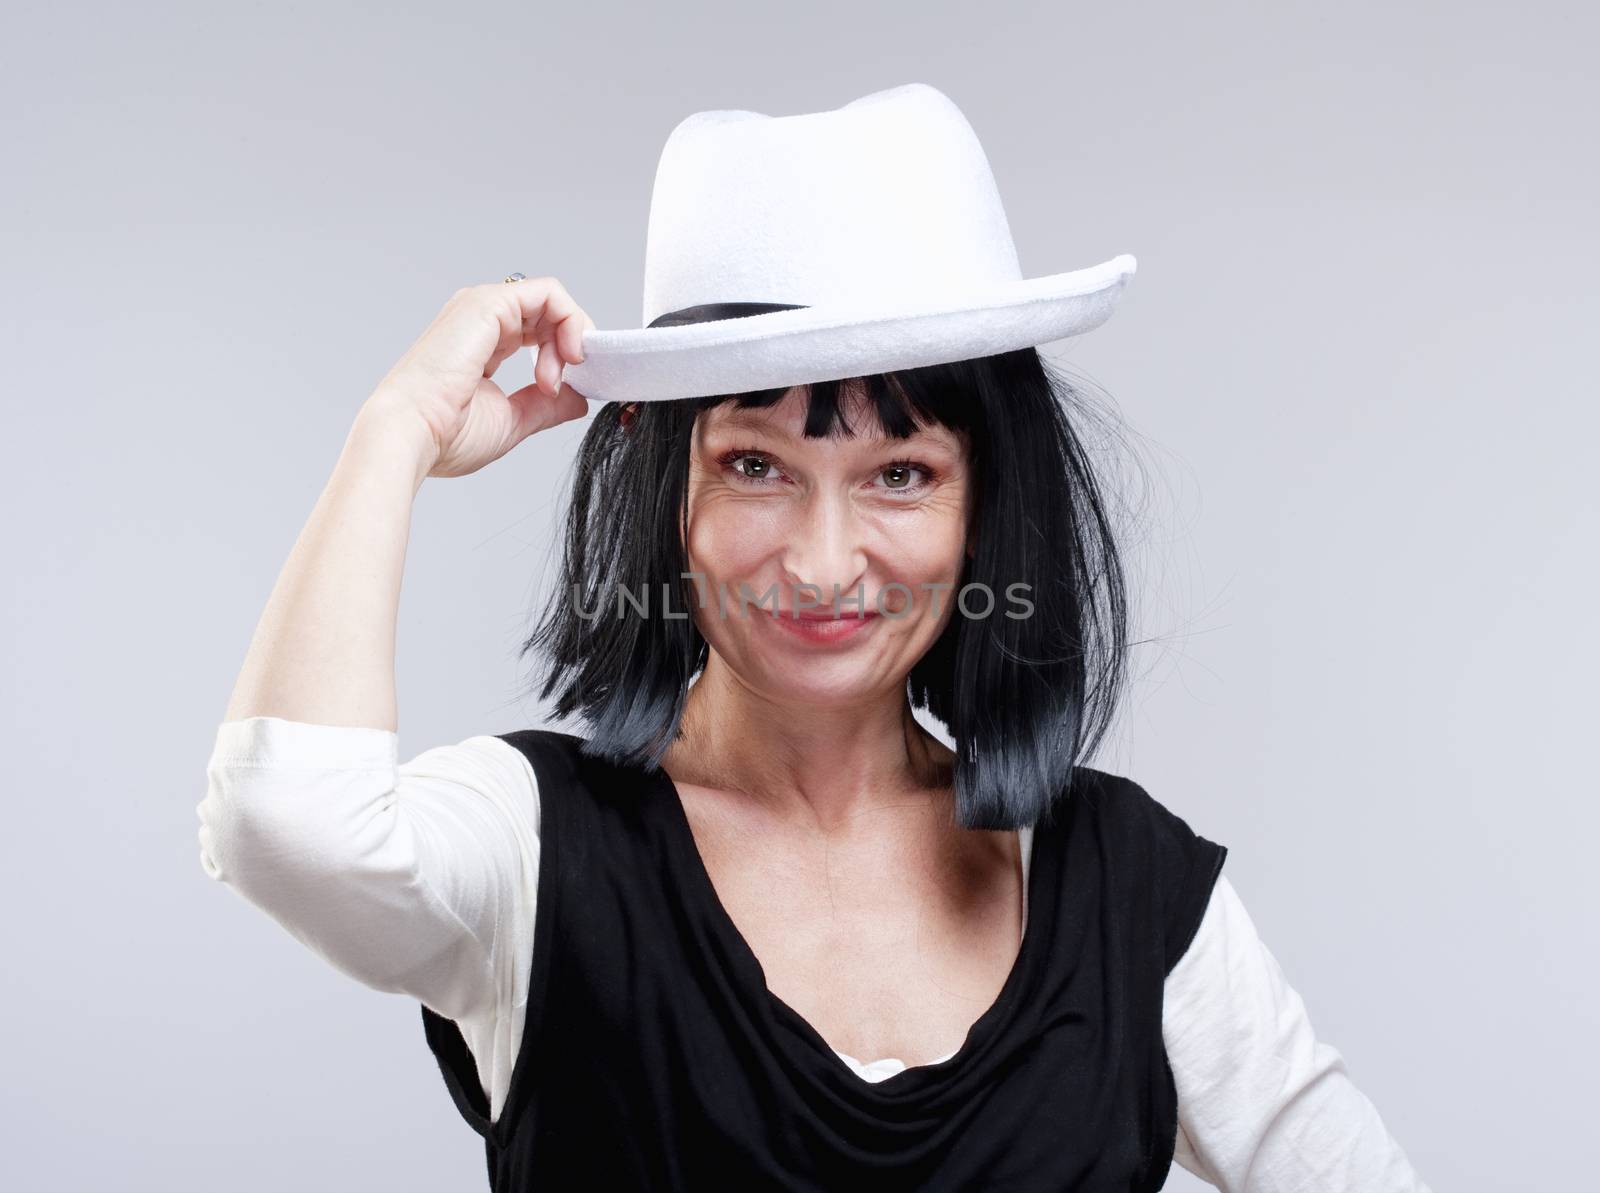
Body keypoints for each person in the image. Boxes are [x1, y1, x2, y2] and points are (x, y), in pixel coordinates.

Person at [197, 84, 1430, 1191]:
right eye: (753, 464)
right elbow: (283, 827)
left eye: (900, 472)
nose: (824, 562)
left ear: (986, 504)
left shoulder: (1130, 889)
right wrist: (395, 430)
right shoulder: (529, 848)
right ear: (659, 489)